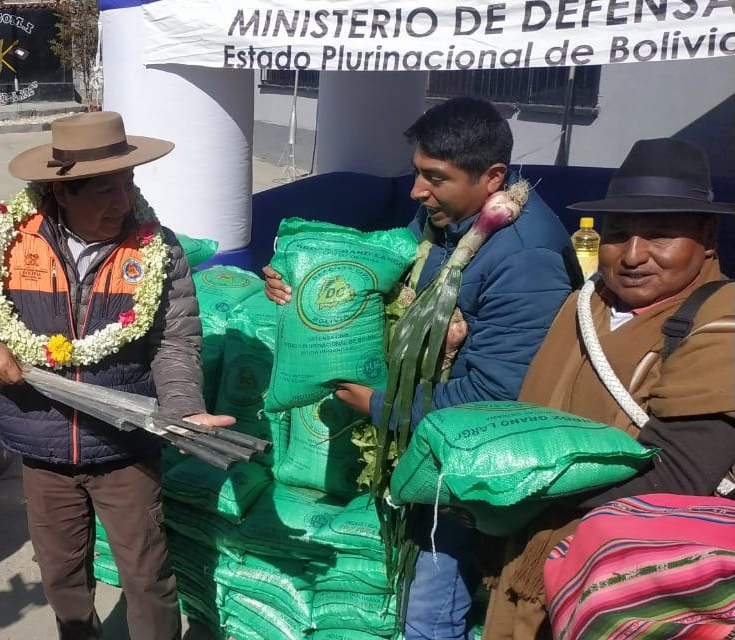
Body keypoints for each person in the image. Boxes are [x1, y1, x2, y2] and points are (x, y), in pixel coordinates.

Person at [263, 97, 582, 640]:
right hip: (423, 444)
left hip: (461, 469)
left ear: (493, 177)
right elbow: (389, 264)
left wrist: (381, 406)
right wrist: (313, 287)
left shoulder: (523, 259)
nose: (416, 191)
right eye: (416, 173)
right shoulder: (451, 221)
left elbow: (497, 397)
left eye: (434, 177)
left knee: (429, 614)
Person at [0, 111, 234, 640]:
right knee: (62, 578)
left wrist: (182, 411)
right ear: (61, 192)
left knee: (147, 577)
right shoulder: (9, 238)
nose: (122, 201)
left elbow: (175, 341)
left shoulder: (158, 249)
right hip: (42, 450)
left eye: (128, 182)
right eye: (105, 190)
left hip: (124, 448)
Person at [481, 138, 735, 640]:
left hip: (613, 589)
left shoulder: (720, 323)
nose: (633, 256)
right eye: (618, 234)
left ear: (707, 237)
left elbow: (679, 476)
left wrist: (522, 494)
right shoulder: (585, 302)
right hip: (522, 560)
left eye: (659, 236)